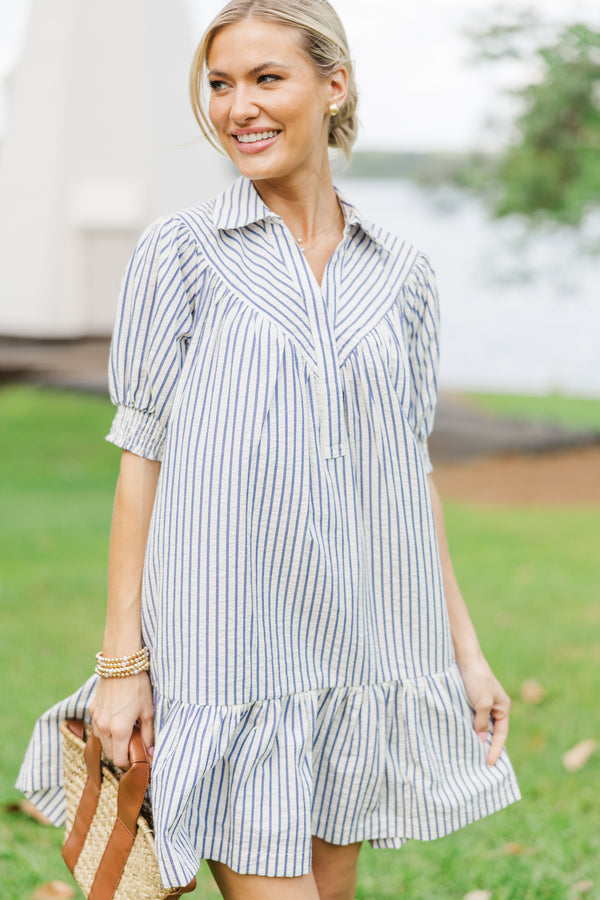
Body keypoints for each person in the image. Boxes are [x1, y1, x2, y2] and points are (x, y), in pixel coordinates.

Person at [17, 1, 520, 898]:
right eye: (220, 84)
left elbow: (408, 476)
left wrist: (465, 654)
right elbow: (141, 462)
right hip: (229, 665)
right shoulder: (180, 254)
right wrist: (121, 669)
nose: (237, 106)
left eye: (266, 78)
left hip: (359, 657)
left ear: (335, 86)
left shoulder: (403, 273)